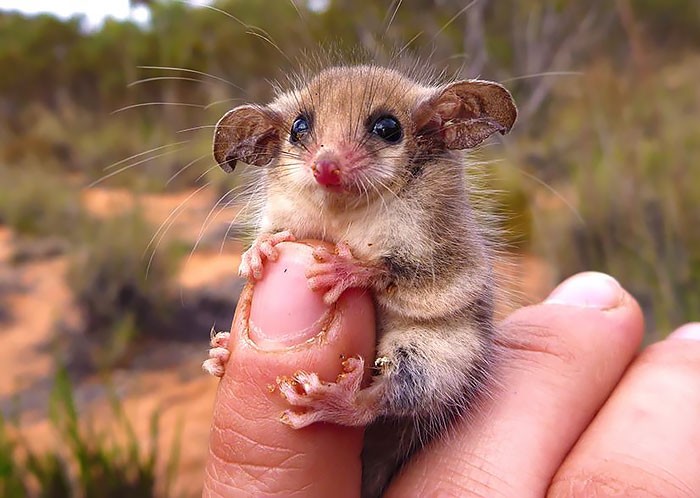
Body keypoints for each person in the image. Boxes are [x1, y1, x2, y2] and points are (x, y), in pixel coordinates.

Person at [202, 242, 700, 497]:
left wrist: (374, 273)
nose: (327, 161)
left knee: (429, 361)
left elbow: (448, 280)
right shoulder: (292, 202)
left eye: (383, 129)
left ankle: (359, 400)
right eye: (303, 130)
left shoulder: (429, 206)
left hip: (420, 349)